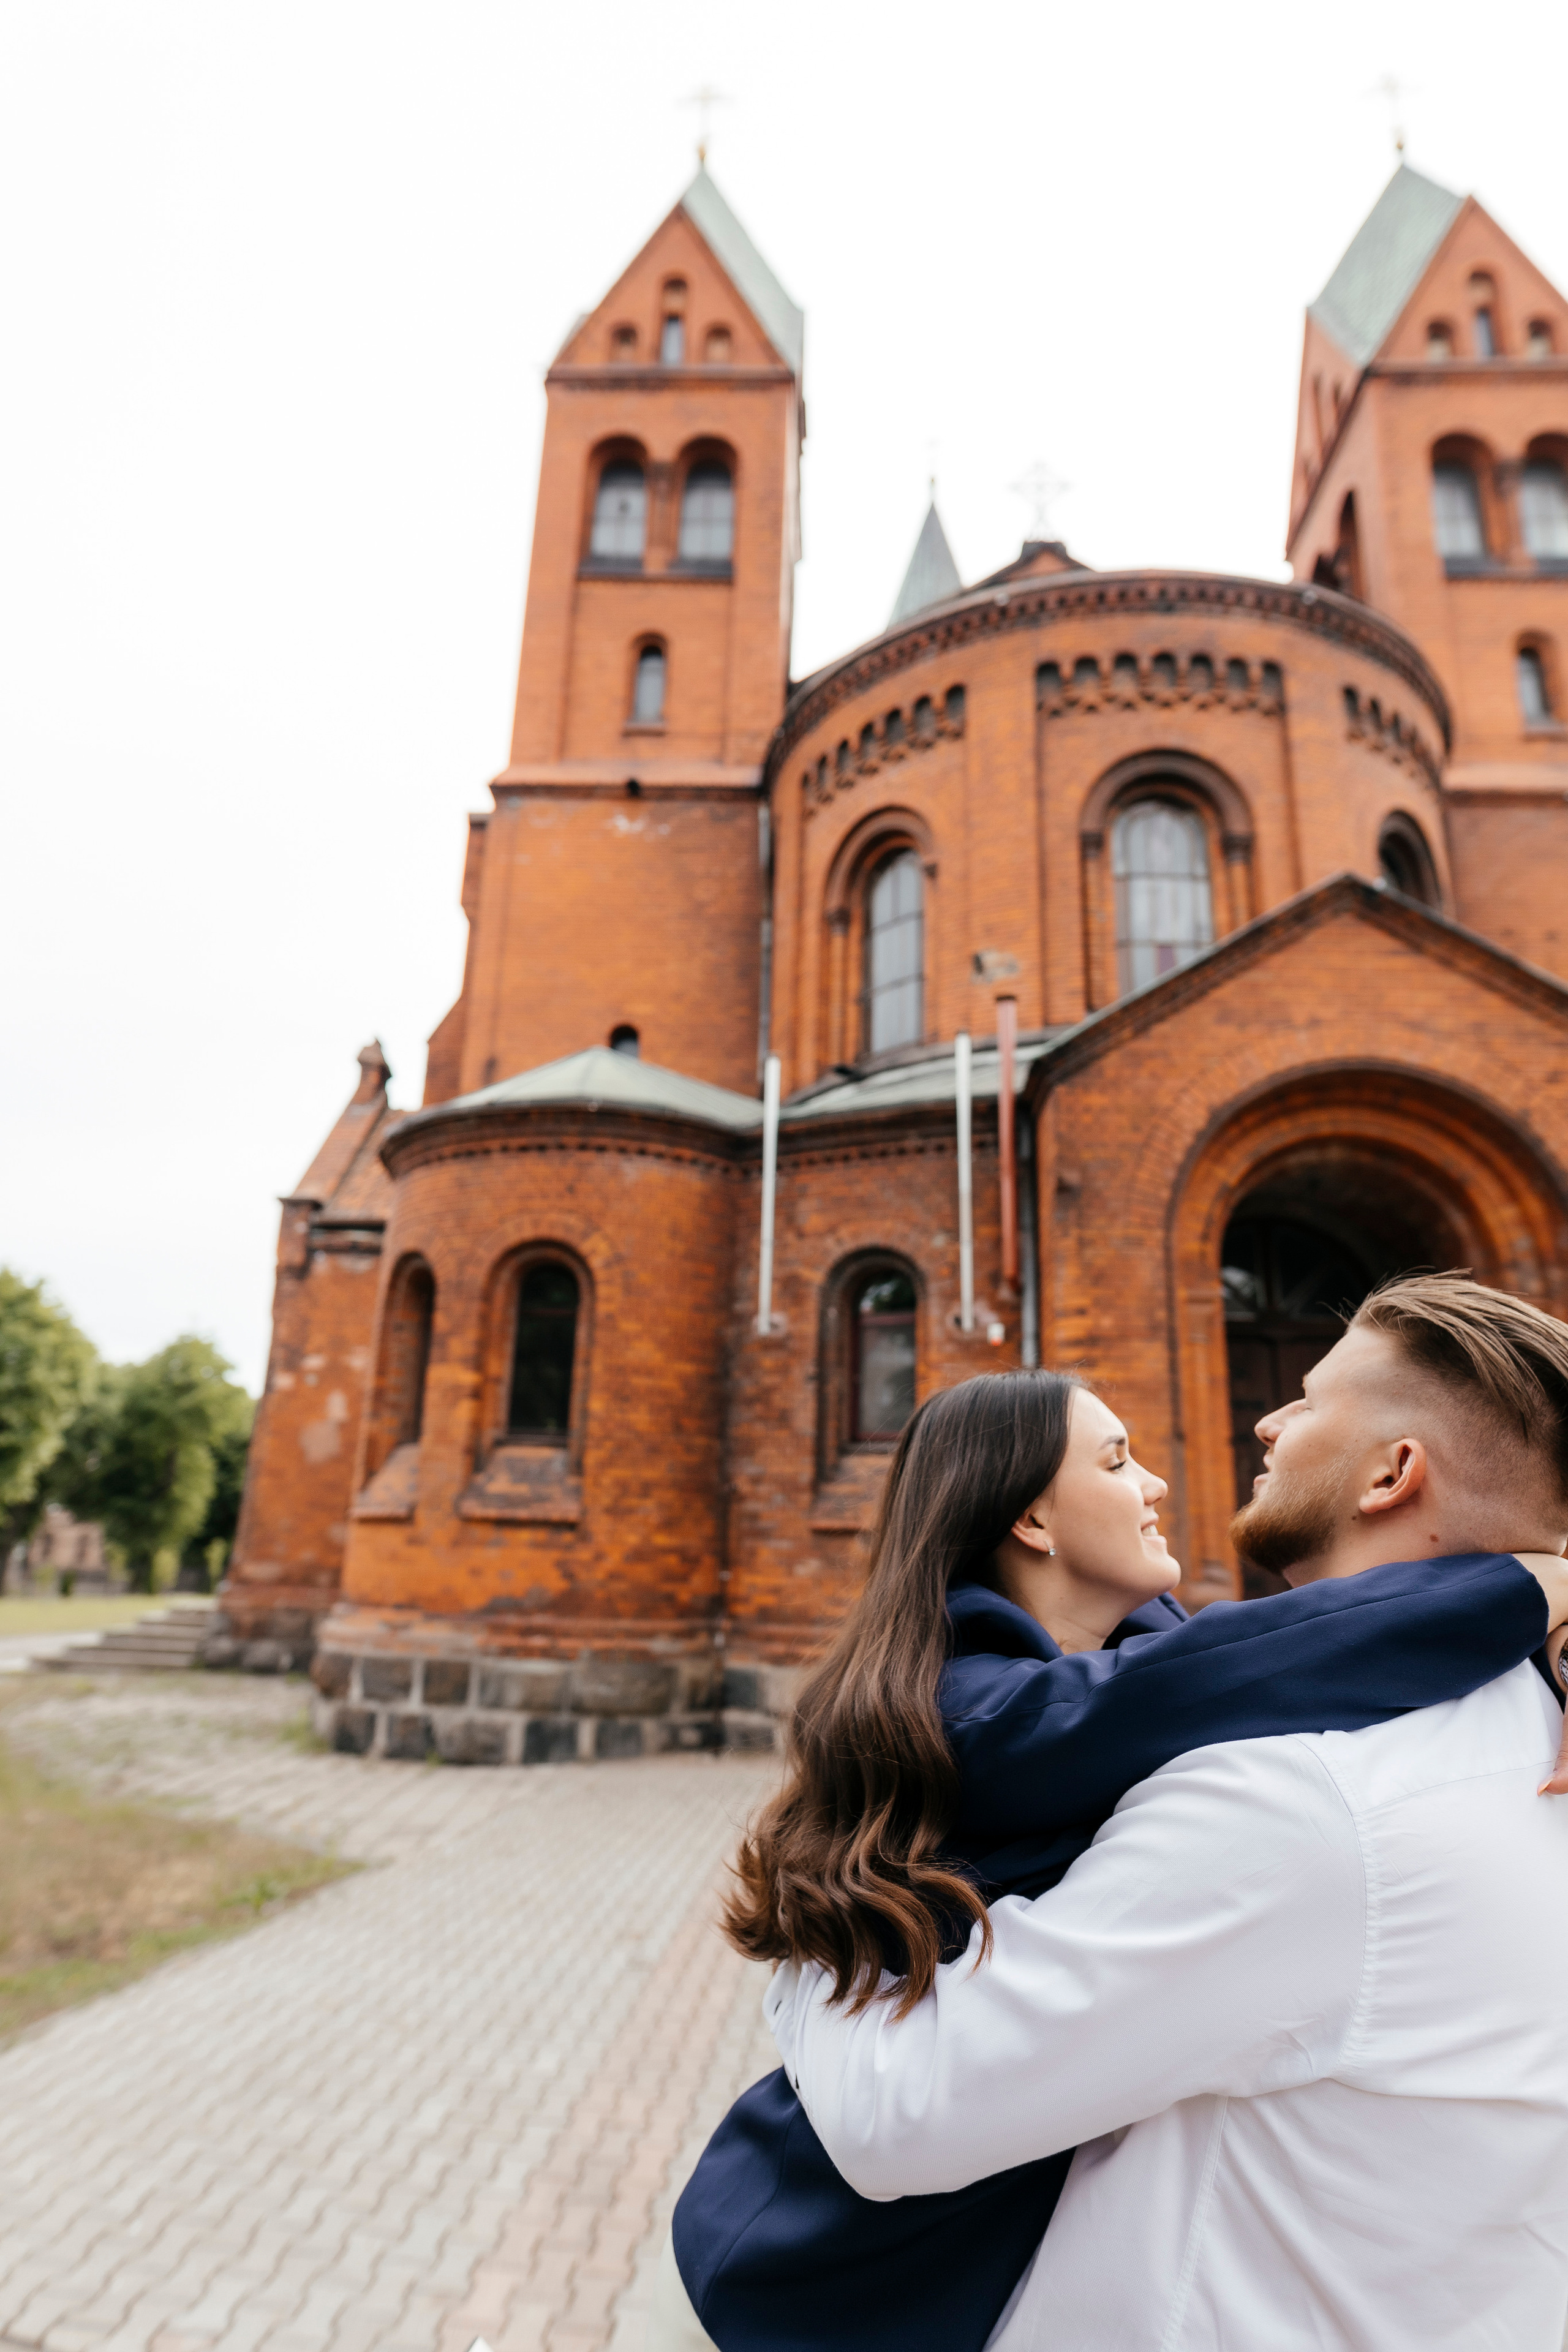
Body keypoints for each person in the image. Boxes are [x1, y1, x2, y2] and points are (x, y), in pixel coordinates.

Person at [652, 1277, 1568, 2351]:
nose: (1263, 1420)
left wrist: (811, 1952)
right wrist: (1531, 1591)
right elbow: (1205, 1675)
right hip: (806, 2262)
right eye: (1119, 1459)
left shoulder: (1304, 1797)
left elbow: (893, 2108)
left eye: (1309, 1402)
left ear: (1393, 1472)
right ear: (1029, 1517)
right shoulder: (1520, 1732)